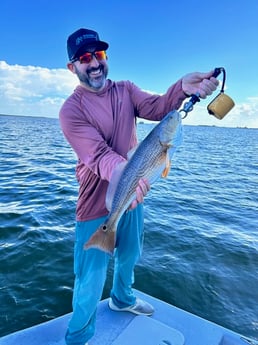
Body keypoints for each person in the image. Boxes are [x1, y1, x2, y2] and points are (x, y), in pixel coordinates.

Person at [59, 28, 219, 345]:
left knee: (130, 254)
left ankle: (122, 298)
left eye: (99, 55)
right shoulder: (71, 111)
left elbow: (160, 109)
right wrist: (129, 174)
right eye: (85, 58)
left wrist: (183, 89)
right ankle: (77, 337)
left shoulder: (126, 90)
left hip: (135, 194)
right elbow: (98, 155)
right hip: (96, 204)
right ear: (73, 67)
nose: (94, 63)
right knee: (89, 280)